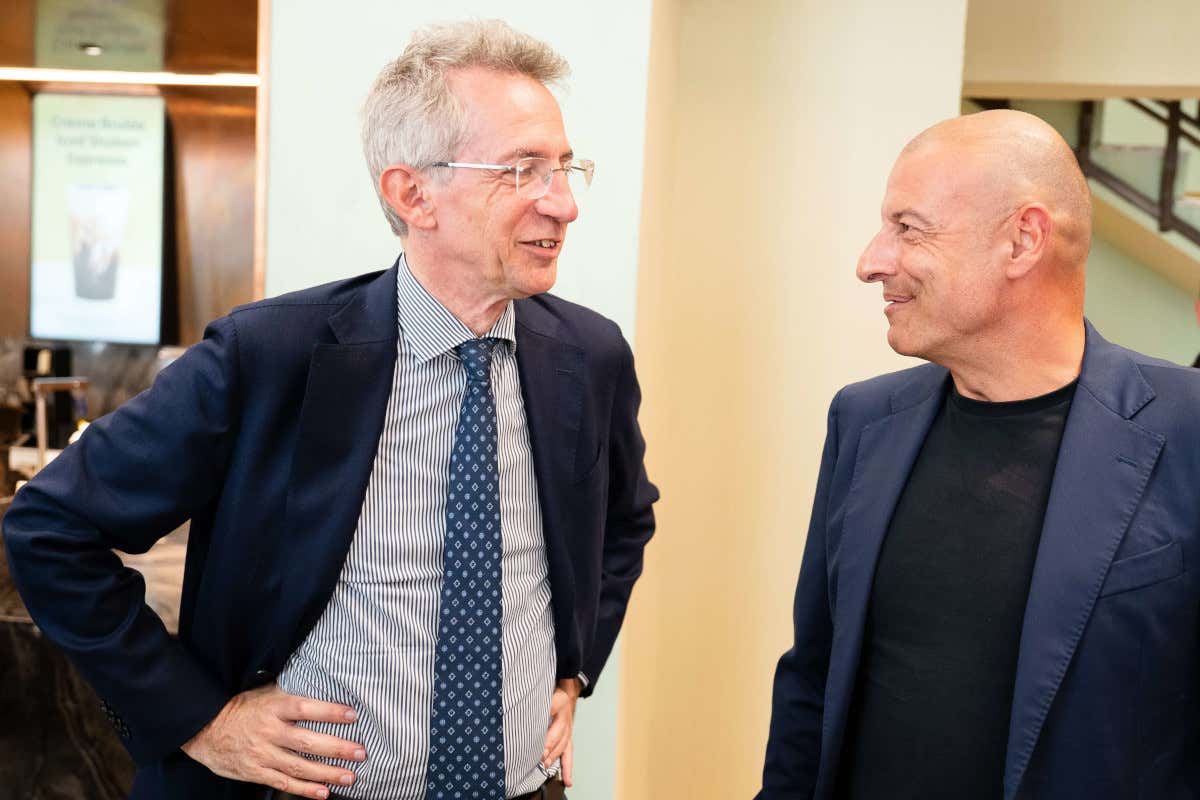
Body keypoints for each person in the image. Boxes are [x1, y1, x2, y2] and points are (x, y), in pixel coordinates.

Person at [3, 20, 657, 800]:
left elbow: (623, 522)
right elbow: (49, 528)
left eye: (564, 166)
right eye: (522, 170)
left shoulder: (590, 357)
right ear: (412, 193)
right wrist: (197, 720)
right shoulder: (270, 355)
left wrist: (574, 668)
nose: (565, 203)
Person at [757, 110, 1200, 800]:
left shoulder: (1187, 427)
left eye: (909, 227)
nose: (872, 260)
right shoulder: (865, 420)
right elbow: (813, 678)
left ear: (1022, 241)